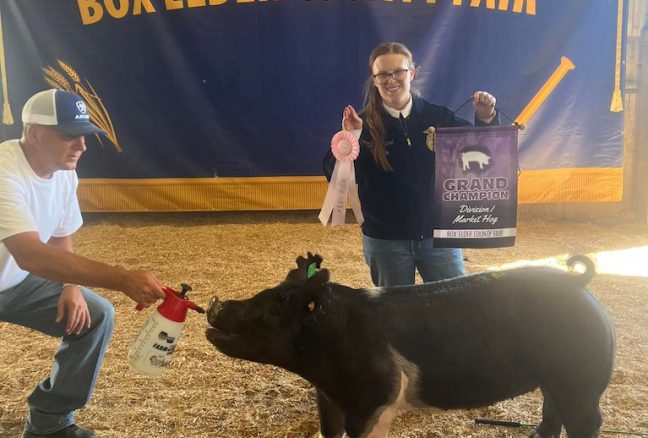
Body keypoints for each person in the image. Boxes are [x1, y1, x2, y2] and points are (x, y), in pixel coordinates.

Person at [0, 89, 167, 438]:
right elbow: (29, 254)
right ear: (34, 133)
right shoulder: (4, 171)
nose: (82, 145)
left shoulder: (64, 173)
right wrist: (122, 278)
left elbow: (61, 235)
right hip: (19, 271)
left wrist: (71, 287)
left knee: (96, 316)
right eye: (69, 136)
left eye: (85, 135)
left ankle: (49, 424)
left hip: (12, 284)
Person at [324, 42, 500, 287]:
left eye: (398, 71)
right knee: (395, 316)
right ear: (374, 80)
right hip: (385, 240)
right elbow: (336, 176)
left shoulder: (438, 117)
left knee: (454, 307)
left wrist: (485, 117)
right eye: (383, 74)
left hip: (437, 236)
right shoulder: (359, 125)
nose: (391, 79)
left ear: (412, 73)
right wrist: (349, 139)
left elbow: (484, 150)